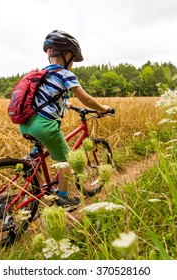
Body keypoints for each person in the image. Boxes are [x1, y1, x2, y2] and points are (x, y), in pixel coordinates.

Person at [19, 30, 111, 207]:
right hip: (44, 126)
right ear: (67, 55)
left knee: (39, 152)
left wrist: (66, 104)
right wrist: (102, 108)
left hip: (25, 123)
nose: (73, 64)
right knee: (66, 160)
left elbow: (48, 96)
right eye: (74, 60)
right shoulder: (65, 74)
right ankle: (63, 197)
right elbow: (86, 99)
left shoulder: (43, 72)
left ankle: (34, 173)